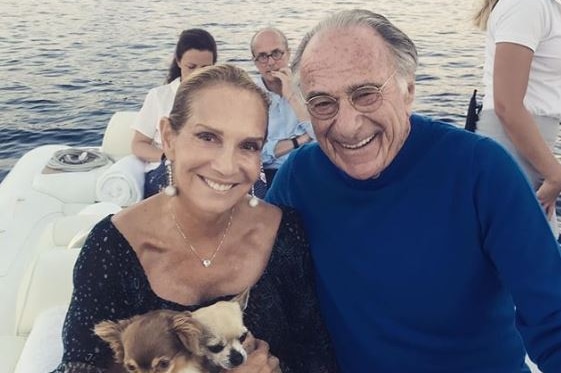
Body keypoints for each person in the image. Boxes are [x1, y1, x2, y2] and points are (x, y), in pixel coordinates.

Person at [266, 9, 561, 373]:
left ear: (408, 90)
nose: (347, 125)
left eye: (366, 94)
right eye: (323, 103)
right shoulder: (299, 178)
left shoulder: (481, 170)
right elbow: (256, 284)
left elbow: (552, 318)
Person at [52, 65, 337, 373]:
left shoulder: (286, 234)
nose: (227, 166)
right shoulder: (112, 248)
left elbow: (317, 357)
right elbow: (79, 366)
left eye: (248, 145)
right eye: (207, 137)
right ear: (168, 138)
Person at [473, 0, 561, 237]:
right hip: (513, 150)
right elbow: (507, 104)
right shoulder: (527, 4)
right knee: (525, 258)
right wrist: (555, 175)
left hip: (529, 151)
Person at [131, 28, 217, 198]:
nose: (197, 74)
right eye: (191, 67)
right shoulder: (159, 96)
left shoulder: (222, 98)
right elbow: (138, 144)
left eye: (205, 68)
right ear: (178, 61)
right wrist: (168, 157)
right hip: (167, 170)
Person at [250, 27, 315, 186]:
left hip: (307, 167)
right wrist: (300, 140)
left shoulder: (308, 88)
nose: (271, 62)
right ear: (255, 62)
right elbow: (255, 154)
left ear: (288, 53)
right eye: (263, 56)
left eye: (277, 53)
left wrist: (292, 97)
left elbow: (322, 138)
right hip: (268, 174)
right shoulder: (250, 96)